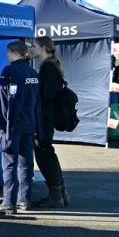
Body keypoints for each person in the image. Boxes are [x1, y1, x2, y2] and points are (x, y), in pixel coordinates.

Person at [0, 40, 41, 214]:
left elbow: (7, 102)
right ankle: (25, 200)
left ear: (14, 52)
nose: (6, 56)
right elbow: (37, 103)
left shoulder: (9, 71)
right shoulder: (33, 73)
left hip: (12, 127)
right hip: (29, 125)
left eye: (8, 52)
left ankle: (8, 202)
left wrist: (4, 127)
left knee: (9, 164)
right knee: (26, 164)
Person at [30, 36, 68, 207]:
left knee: (45, 153)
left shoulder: (48, 68)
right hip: (45, 117)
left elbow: (48, 95)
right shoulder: (50, 65)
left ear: (44, 48)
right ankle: (61, 193)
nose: (31, 49)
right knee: (47, 153)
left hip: (45, 118)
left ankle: (56, 196)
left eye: (34, 46)